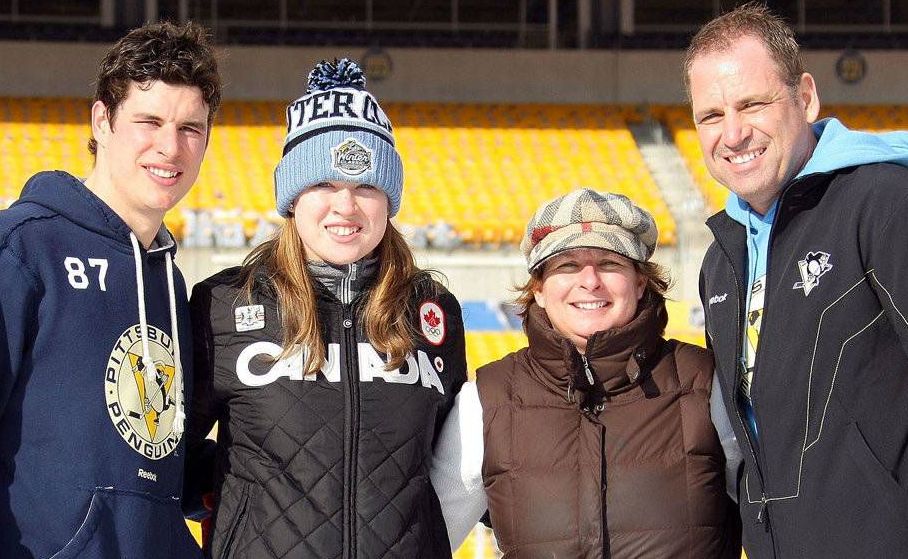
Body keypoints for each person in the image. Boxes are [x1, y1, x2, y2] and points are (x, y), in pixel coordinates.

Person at [184, 59, 467, 558]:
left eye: (365, 187)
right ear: (293, 197)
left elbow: (450, 464)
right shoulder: (224, 304)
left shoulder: (434, 312)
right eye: (323, 186)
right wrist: (245, 498)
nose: (346, 206)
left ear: (389, 199)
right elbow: (169, 456)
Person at [685, 3, 908, 557]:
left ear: (805, 97)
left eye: (752, 104)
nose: (733, 133)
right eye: (711, 115)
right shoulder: (721, 260)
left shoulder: (882, 202)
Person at [0, 21, 221, 558]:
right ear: (102, 120)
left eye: (191, 128)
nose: (170, 147)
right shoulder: (26, 247)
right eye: (149, 121)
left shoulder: (168, 279)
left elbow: (148, 457)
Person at [431, 188, 741, 558]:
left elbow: (772, 520)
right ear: (540, 289)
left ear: (640, 283)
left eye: (610, 263)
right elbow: (426, 540)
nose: (590, 280)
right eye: (567, 265)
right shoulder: (487, 400)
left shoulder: (705, 384)